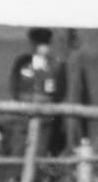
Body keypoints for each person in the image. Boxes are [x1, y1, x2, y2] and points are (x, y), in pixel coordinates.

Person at [10, 27, 68, 155]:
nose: (40, 47)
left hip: (45, 120)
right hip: (23, 119)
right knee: (18, 153)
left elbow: (59, 93)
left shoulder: (56, 66)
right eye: (37, 43)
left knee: (40, 154)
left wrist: (43, 102)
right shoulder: (22, 63)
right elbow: (14, 88)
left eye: (44, 43)